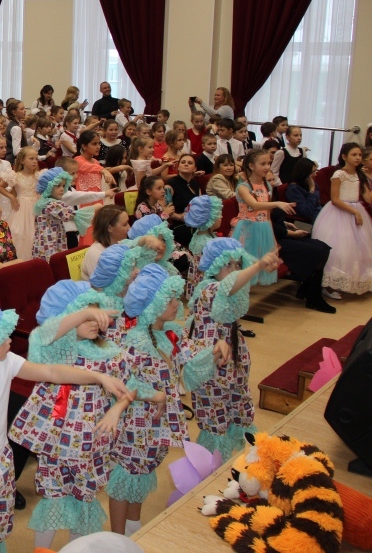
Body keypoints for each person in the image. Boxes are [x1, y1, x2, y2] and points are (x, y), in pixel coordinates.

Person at [0, 297, 128, 552]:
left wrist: (99, 377)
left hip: (2, 460)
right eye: (2, 337)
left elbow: (51, 372)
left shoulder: (4, 361)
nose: (10, 340)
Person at [9, 282, 131, 549]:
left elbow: (128, 386)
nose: (94, 321)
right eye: (86, 315)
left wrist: (117, 409)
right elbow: (42, 335)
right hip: (58, 438)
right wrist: (84, 312)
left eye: (96, 313)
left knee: (84, 498)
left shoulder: (107, 349)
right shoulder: (57, 349)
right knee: (54, 496)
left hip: (93, 438)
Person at [109, 264, 227, 536]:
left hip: (155, 422)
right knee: (127, 476)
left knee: (143, 471)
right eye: (170, 299)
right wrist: (154, 394)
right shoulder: (135, 341)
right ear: (152, 304)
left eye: (176, 297)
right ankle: (116, 537)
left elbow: (192, 359)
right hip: (135, 422)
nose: (177, 304)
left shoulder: (170, 332)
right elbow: (122, 382)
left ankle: (133, 527)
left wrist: (215, 349)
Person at [189, 238, 280, 461]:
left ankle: (238, 456)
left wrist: (257, 267)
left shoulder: (228, 289)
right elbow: (229, 285)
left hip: (232, 359)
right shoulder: (208, 288)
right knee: (216, 413)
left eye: (238, 264)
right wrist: (257, 266)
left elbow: (235, 285)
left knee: (239, 405)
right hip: (213, 365)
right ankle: (214, 464)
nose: (234, 270)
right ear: (213, 266)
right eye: (227, 265)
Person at [311, 142, 372, 295]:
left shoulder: (360, 175)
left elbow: (368, 198)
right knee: (340, 246)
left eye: (360, 155)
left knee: (357, 248)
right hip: (340, 212)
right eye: (354, 155)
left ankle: (354, 280)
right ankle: (330, 285)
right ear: (344, 157)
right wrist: (354, 212)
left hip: (356, 209)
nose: (358, 158)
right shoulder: (339, 174)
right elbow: (335, 199)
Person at [232, 149, 294, 285]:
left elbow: (267, 216)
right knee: (244, 265)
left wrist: (272, 239)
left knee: (260, 265)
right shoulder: (243, 187)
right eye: (263, 164)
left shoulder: (267, 187)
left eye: (269, 163)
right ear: (251, 166)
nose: (267, 167)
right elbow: (255, 205)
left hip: (264, 228)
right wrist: (277, 203)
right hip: (247, 228)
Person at [269, 208, 335, 313]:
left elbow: (272, 219)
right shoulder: (258, 202)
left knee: (323, 248)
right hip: (273, 242)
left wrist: (285, 224)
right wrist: (291, 233)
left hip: (281, 235)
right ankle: (314, 297)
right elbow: (266, 226)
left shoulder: (268, 200)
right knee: (316, 252)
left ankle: (307, 289)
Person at [183, 195, 223, 299]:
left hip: (198, 276)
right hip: (206, 278)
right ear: (209, 220)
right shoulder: (207, 242)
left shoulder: (198, 234)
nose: (221, 217)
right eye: (218, 214)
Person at [32, 168, 75, 260]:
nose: (62, 189)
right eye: (58, 186)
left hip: (42, 242)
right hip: (51, 243)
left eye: (63, 186)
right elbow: (70, 215)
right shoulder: (52, 204)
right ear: (49, 187)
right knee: (53, 262)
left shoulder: (43, 202)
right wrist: (94, 208)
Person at [80, 204, 131, 280]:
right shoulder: (95, 254)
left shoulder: (122, 244)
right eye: (125, 224)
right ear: (110, 228)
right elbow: (102, 286)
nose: (129, 228)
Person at [285, 157, 322, 222]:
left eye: (315, 171)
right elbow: (306, 213)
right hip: (306, 222)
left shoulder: (311, 184)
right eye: (312, 172)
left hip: (319, 215)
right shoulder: (294, 189)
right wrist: (311, 192)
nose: (315, 174)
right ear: (304, 173)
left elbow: (318, 203)